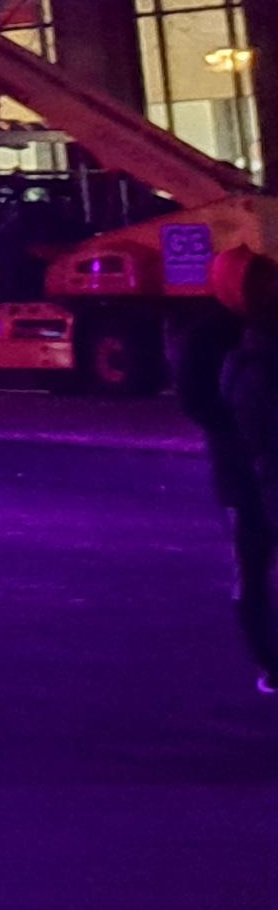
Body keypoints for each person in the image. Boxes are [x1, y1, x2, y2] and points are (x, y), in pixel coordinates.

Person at [175, 249, 278, 694]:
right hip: (242, 474)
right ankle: (269, 661)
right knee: (252, 569)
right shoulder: (211, 335)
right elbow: (197, 401)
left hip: (259, 467)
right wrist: (240, 429)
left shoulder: (261, 329)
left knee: (255, 568)